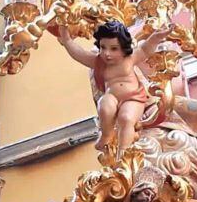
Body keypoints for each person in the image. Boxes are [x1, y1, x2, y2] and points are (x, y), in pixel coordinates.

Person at [58, 21, 172, 156]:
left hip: (133, 98)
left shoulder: (130, 58)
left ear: (123, 48)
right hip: (112, 96)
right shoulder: (98, 62)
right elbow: (79, 54)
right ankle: (107, 134)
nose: (107, 53)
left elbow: (146, 48)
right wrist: (66, 40)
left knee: (126, 118)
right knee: (104, 105)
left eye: (113, 49)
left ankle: (123, 154)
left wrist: (157, 37)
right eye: (103, 47)